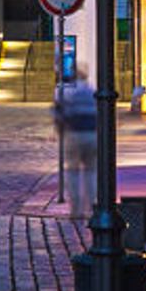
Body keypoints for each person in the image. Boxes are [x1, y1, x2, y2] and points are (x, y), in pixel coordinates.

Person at [55, 64, 100, 221]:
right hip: (92, 134)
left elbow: (59, 114)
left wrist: (60, 131)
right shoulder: (92, 91)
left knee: (72, 171)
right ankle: (93, 207)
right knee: (91, 171)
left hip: (74, 133)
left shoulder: (66, 92)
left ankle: (76, 209)